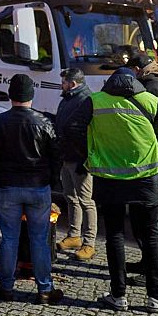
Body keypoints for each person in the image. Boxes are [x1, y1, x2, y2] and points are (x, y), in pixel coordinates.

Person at [84, 67, 158, 313]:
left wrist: (90, 153)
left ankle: (118, 295)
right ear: (134, 82)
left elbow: (73, 130)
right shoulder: (149, 99)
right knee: (152, 235)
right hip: (146, 179)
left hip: (108, 177)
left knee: (114, 234)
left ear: (109, 81)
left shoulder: (95, 101)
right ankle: (156, 297)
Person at [0, 74, 63, 304]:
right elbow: (57, 156)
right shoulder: (45, 123)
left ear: (10, 96)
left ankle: (6, 287)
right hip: (37, 187)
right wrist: (50, 180)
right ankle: (45, 289)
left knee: (9, 239)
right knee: (39, 240)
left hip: (7, 187)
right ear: (31, 96)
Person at [125, 54, 158, 286]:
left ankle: (155, 270)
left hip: (148, 159)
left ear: (137, 69)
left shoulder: (150, 88)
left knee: (144, 218)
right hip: (156, 157)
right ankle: (148, 263)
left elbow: (146, 126)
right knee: (144, 216)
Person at [55, 68, 97, 261]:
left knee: (86, 201)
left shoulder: (86, 100)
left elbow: (88, 132)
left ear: (72, 83)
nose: (61, 85)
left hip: (80, 159)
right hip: (67, 156)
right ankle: (74, 236)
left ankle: (89, 243)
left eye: (64, 82)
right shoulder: (68, 99)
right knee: (71, 197)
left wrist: (85, 158)